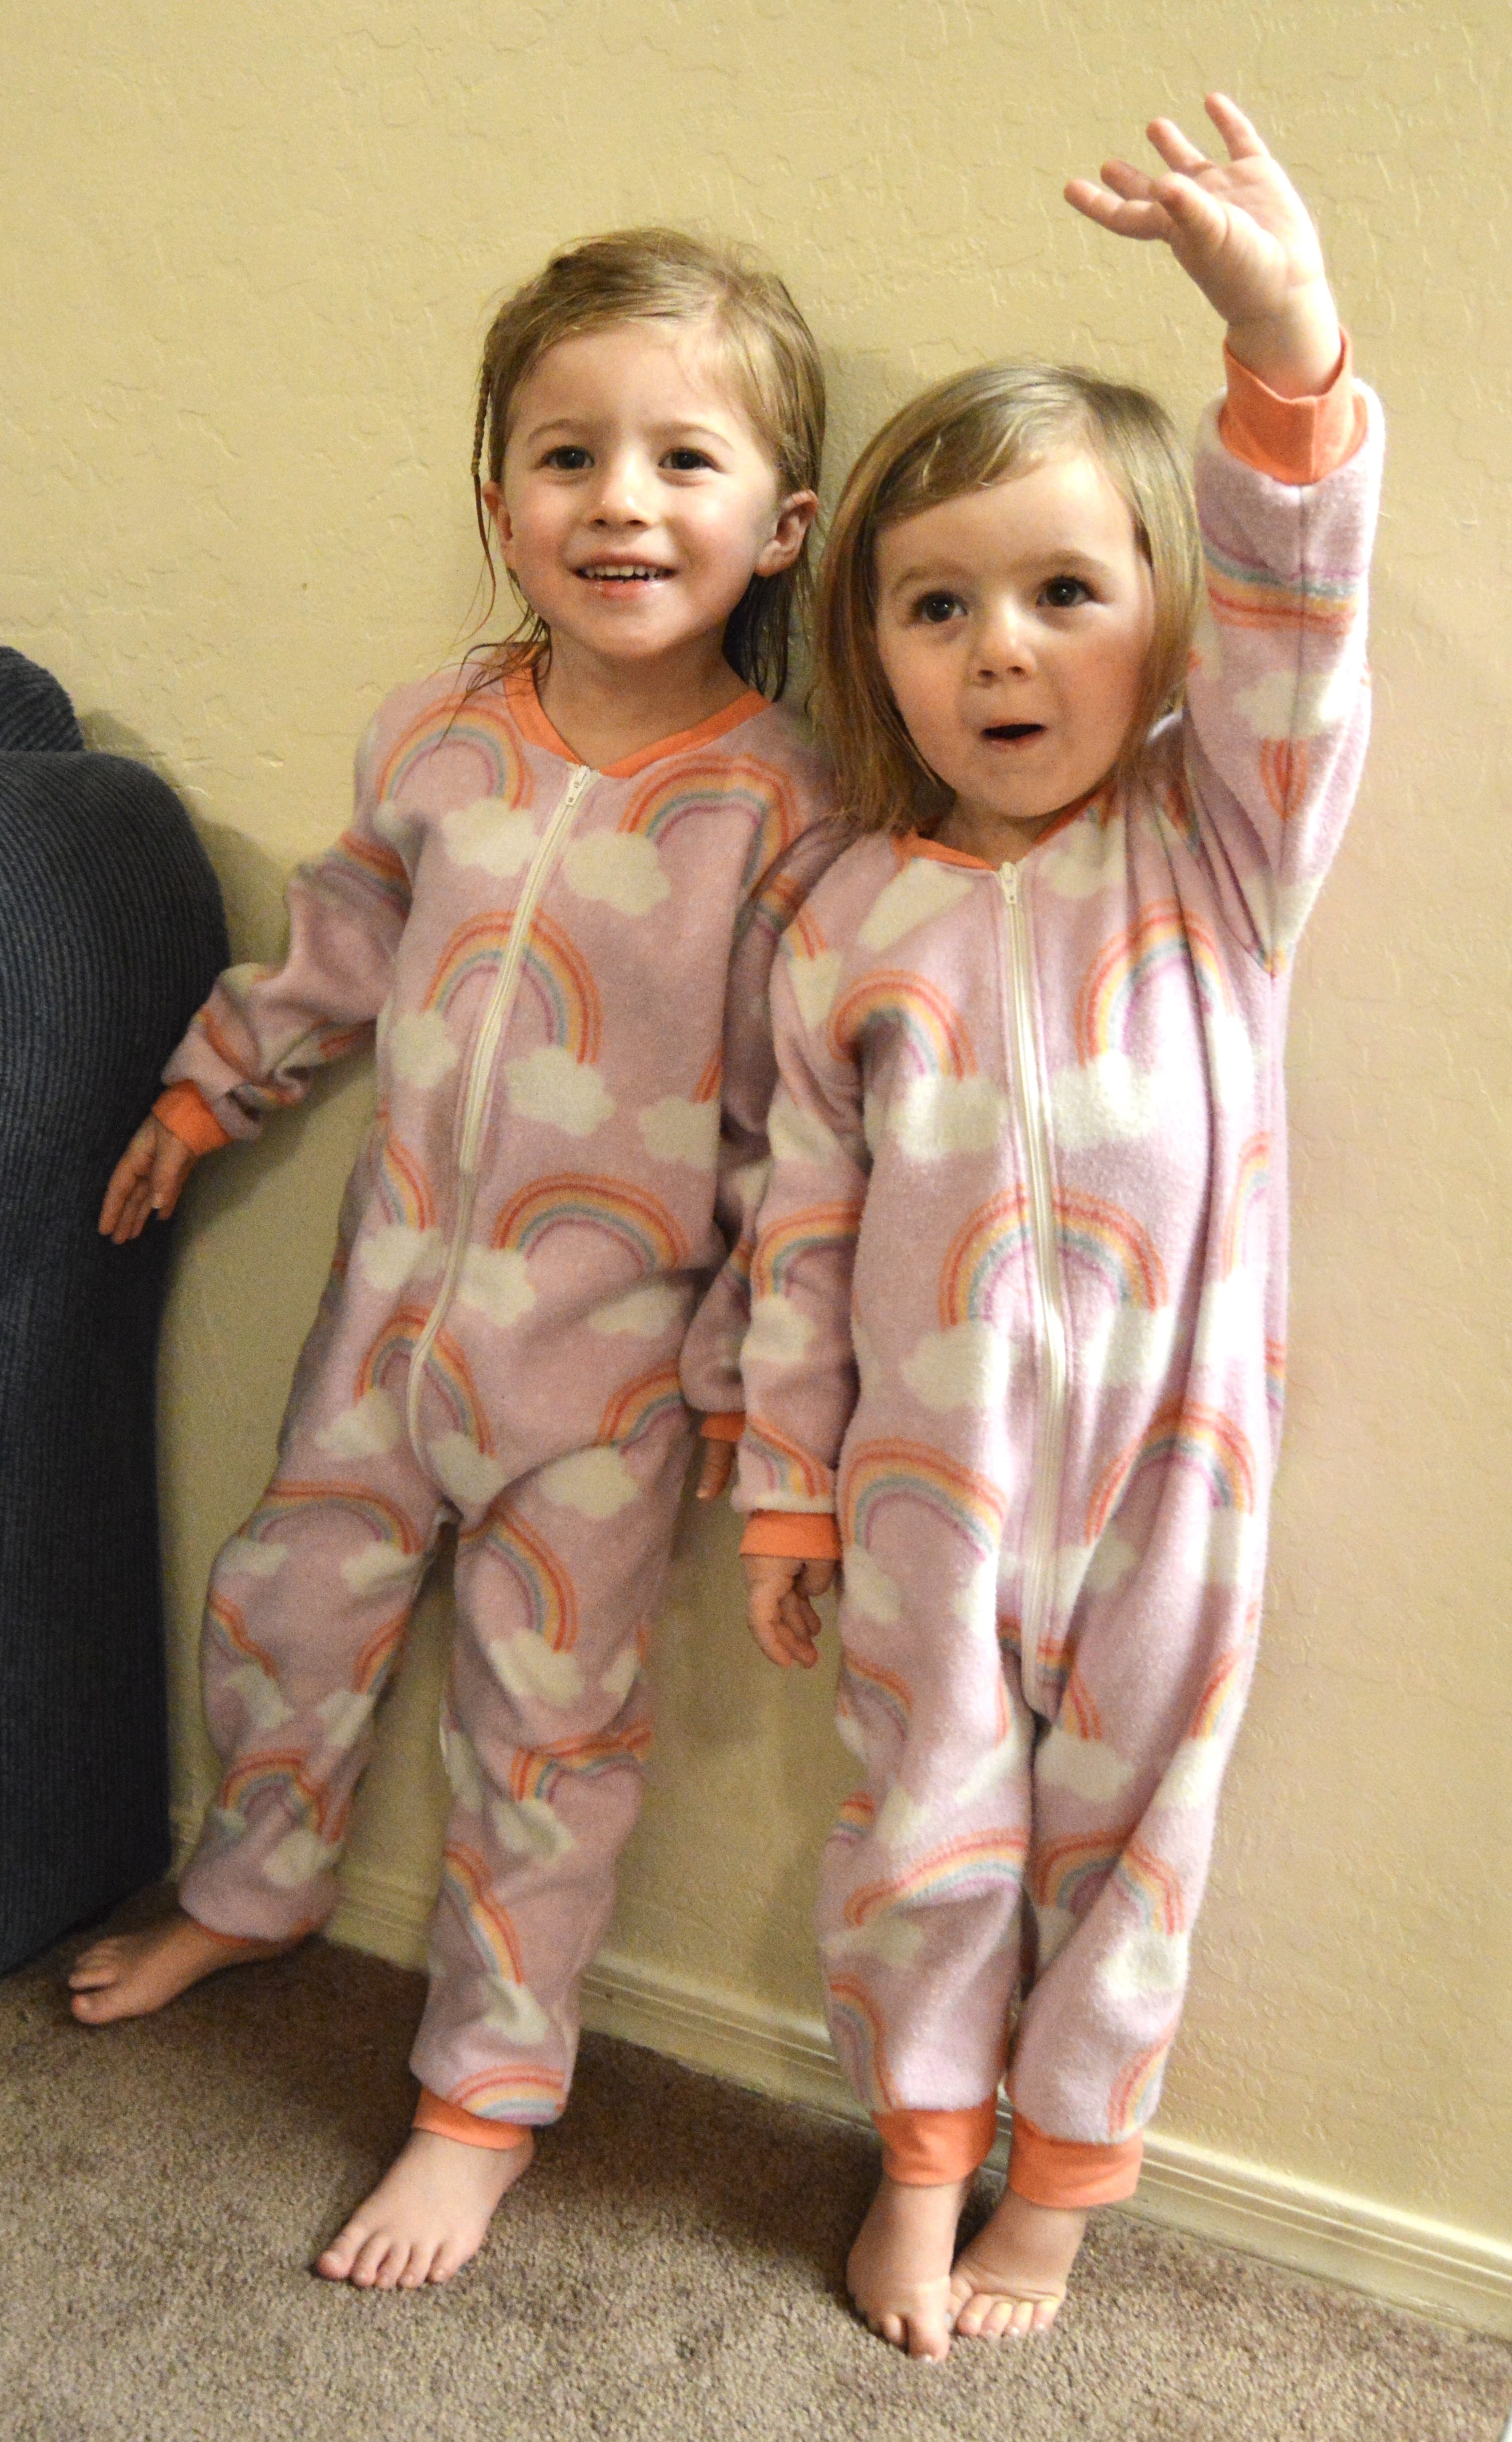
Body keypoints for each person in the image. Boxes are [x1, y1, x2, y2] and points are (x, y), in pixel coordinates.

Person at [69, 226, 841, 2291]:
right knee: (279, 1610)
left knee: (544, 1746)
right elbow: (335, 947)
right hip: (382, 1325)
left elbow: (792, 1141)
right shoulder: (440, 734)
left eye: (682, 461)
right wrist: (207, 1095)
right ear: (499, 499)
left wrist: (758, 1397)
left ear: (782, 525)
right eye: (567, 456)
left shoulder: (786, 807)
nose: (619, 503)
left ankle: (483, 2101)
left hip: (606, 1387)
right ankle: (253, 1890)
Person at [736, 97, 1380, 2358]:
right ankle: (921, 2152)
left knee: (1132, 1835)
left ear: (1162, 626)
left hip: (1174, 1479)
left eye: (1062, 595)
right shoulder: (845, 916)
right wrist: (787, 1481)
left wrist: (1282, 350)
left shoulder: (1219, 849)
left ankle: (1065, 2187)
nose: (998, 653)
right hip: (924, 1477)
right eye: (938, 607)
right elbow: (797, 1232)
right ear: (873, 646)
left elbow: (1303, 634)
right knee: (919, 1821)